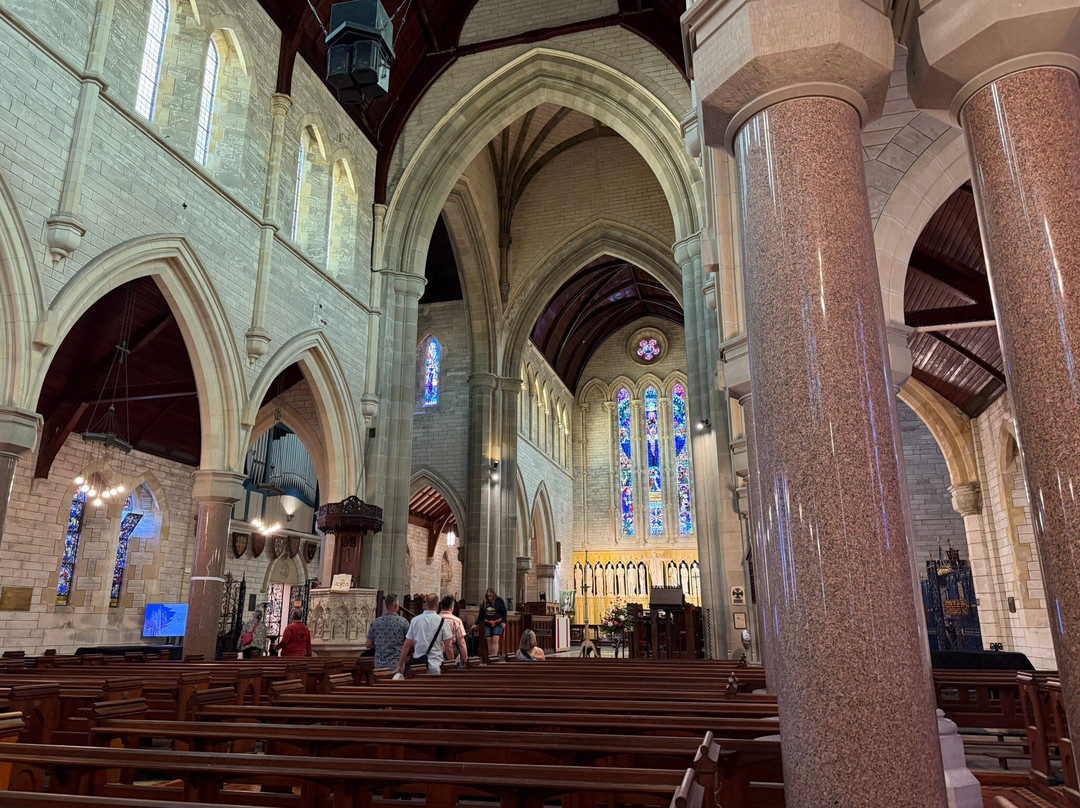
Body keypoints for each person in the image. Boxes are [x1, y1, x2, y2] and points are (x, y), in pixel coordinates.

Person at [396, 593, 453, 676]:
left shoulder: (415, 620)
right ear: (437, 605)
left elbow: (406, 645)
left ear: (426, 604)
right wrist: (452, 664)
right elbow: (448, 647)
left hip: (418, 666)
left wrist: (400, 665)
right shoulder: (443, 622)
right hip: (435, 665)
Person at [366, 593, 410, 671]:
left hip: (379, 665)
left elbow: (368, 644)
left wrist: (380, 644)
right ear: (396, 605)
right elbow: (409, 642)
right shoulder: (403, 622)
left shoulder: (375, 622)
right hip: (396, 664)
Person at [475, 588, 508, 661]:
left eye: (491, 596)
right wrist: (476, 623)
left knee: (495, 640)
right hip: (488, 624)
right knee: (489, 641)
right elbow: (481, 614)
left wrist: (504, 622)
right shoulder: (485, 602)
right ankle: (490, 657)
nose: (489, 597)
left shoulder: (499, 601)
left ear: (494, 595)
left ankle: (494, 657)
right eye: (488, 596)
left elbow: (504, 612)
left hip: (497, 623)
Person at [438, 595, 468, 666]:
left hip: (435, 651)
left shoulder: (434, 619)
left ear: (441, 606)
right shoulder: (456, 621)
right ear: (452, 606)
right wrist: (465, 659)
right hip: (450, 651)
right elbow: (461, 643)